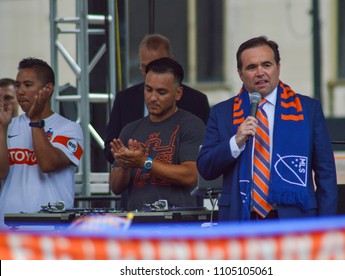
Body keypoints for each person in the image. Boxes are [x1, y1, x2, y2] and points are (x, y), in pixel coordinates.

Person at [197, 36, 337, 221]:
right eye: (251, 67)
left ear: (278, 67)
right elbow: (206, 168)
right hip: (242, 219)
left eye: (267, 65)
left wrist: (326, 228)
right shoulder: (222, 113)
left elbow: (325, 173)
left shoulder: (308, 109)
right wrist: (235, 142)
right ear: (240, 73)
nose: (260, 72)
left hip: (295, 219)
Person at [109, 57, 205, 211]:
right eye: (148, 89)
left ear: (178, 93)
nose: (153, 97)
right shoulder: (130, 129)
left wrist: (144, 162)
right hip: (137, 224)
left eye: (161, 92)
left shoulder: (191, 125)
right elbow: (115, 187)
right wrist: (125, 165)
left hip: (177, 225)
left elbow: (190, 175)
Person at [0, 57, 84, 228]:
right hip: (8, 229)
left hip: (51, 232)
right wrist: (1, 129)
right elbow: (2, 173)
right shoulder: (8, 124)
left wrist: (36, 119)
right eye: (18, 85)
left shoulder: (69, 128)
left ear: (48, 89)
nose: (20, 91)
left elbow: (48, 164)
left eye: (27, 85)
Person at [104, 33, 210, 164]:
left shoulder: (196, 101)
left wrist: (147, 162)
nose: (151, 72)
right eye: (145, 67)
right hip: (133, 178)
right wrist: (128, 157)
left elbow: (204, 151)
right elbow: (111, 146)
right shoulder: (124, 99)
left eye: (158, 66)